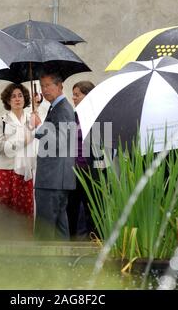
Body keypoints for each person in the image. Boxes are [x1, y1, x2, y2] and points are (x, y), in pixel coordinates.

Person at [31, 71, 76, 240]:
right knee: (59, 228)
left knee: (46, 229)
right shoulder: (56, 107)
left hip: (53, 179)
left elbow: (61, 141)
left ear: (59, 86)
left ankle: (44, 265)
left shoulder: (63, 109)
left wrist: (40, 127)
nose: (44, 89)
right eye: (42, 86)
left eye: (48, 85)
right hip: (56, 178)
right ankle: (62, 265)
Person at [0, 83, 36, 239]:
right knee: (1, 213)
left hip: (24, 173)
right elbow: (1, 147)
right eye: (13, 96)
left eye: (20, 95)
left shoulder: (32, 119)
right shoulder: (0, 121)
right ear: (8, 101)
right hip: (4, 172)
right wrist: (24, 140)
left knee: (23, 213)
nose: (17, 99)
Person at [67, 81, 104, 240]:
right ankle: (72, 245)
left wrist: (100, 173)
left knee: (93, 210)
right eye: (73, 94)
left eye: (77, 94)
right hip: (74, 172)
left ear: (88, 96)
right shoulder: (73, 116)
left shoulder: (97, 117)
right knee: (72, 210)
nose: (73, 98)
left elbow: (103, 149)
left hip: (92, 172)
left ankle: (95, 243)